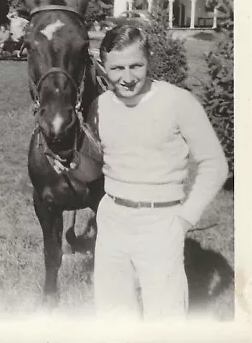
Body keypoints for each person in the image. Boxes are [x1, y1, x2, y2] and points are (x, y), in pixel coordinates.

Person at [65, 25, 228, 322]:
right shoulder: (99, 106)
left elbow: (215, 164)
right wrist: (71, 160)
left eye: (136, 65)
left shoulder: (178, 102)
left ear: (149, 59)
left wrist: (183, 219)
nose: (127, 78)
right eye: (117, 68)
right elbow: (93, 172)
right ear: (103, 65)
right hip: (112, 220)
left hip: (161, 222)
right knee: (114, 317)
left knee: (165, 319)